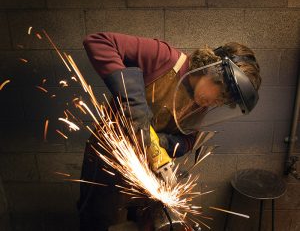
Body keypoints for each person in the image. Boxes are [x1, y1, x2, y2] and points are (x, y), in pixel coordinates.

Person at [77, 32, 261, 231]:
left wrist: (161, 144)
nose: (217, 103)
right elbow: (97, 41)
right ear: (213, 70)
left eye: (225, 102)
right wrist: (135, 106)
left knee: (142, 222)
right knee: (99, 220)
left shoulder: (200, 105)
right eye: (221, 95)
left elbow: (189, 140)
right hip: (106, 161)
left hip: (144, 173)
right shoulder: (164, 58)